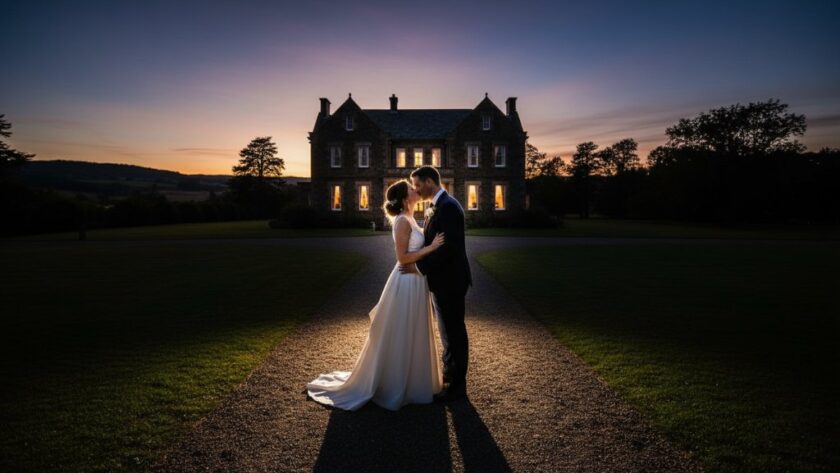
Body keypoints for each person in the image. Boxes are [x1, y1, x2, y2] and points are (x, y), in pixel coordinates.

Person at [306, 180, 446, 411]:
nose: (416, 190)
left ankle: (413, 382)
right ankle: (394, 384)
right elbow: (402, 258)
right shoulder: (402, 221)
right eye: (412, 189)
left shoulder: (410, 217)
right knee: (402, 328)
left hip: (416, 280)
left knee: (412, 328)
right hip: (406, 280)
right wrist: (431, 248)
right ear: (404, 197)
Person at [401, 165, 473, 402]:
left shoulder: (449, 207)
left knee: (454, 332)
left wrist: (419, 268)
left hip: (451, 281)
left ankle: (458, 387)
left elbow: (449, 248)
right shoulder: (435, 207)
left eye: (418, 184)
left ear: (430, 181)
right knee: (446, 332)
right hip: (441, 281)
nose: (416, 189)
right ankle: (450, 375)